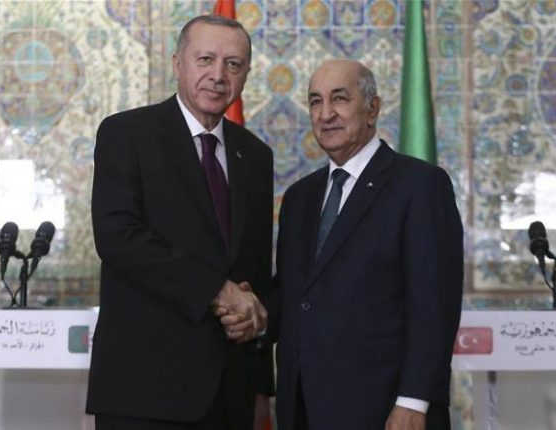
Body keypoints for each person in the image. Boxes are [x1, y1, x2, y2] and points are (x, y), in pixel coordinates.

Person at [86, 15, 274, 430]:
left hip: (231, 393)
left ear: (246, 74)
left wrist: (261, 385)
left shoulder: (255, 155)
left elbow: (255, 273)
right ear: (178, 63)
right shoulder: (126, 134)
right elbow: (117, 238)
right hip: (145, 390)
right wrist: (216, 290)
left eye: (233, 64)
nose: (218, 75)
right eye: (205, 59)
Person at [271, 59, 463, 430]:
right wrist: (246, 307)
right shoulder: (299, 198)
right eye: (315, 101)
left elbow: (434, 303)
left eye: (339, 98)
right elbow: (295, 294)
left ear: (372, 109)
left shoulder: (420, 185)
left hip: (386, 409)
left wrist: (413, 400)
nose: (326, 114)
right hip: (304, 409)